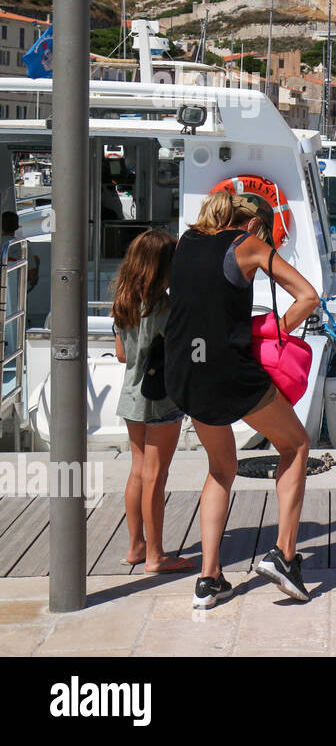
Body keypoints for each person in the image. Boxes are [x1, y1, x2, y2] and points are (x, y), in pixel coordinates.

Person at [166, 192, 318, 608]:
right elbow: (308, 296)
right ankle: (285, 556)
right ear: (253, 226)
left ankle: (209, 578)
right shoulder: (247, 244)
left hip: (185, 370)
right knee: (297, 444)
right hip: (227, 371)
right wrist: (274, 331)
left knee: (221, 468)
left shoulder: (186, 242)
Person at [111, 229, 193, 574]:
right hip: (160, 397)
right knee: (156, 477)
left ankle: (135, 547)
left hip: (131, 394)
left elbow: (120, 355)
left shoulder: (123, 300)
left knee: (137, 472)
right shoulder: (167, 308)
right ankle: (157, 556)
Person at [1, 210, 39, 292]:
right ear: (17, 227)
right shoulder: (23, 245)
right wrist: (37, 265)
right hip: (14, 293)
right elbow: (32, 276)